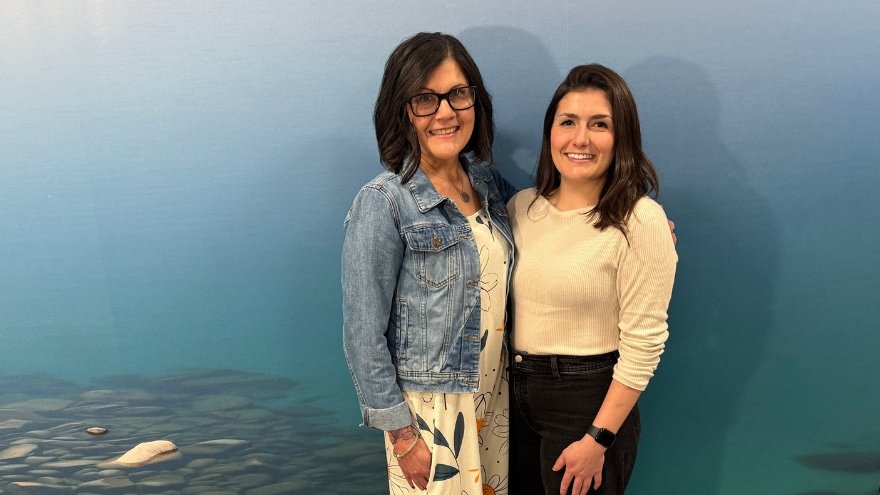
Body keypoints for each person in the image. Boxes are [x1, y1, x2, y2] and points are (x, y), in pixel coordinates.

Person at [342, 32, 516, 494]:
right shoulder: (384, 202)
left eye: (458, 94)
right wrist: (402, 436)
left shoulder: (490, 185)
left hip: (496, 400)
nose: (445, 112)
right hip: (433, 414)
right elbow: (363, 331)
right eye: (425, 99)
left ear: (475, 101)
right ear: (403, 111)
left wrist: (632, 224)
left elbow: (552, 221)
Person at [507, 64, 678, 495]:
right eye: (568, 122)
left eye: (599, 125)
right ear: (551, 133)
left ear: (622, 138)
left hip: (585, 408)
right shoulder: (520, 207)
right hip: (509, 400)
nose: (580, 138)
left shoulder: (640, 220)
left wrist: (599, 438)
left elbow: (645, 342)